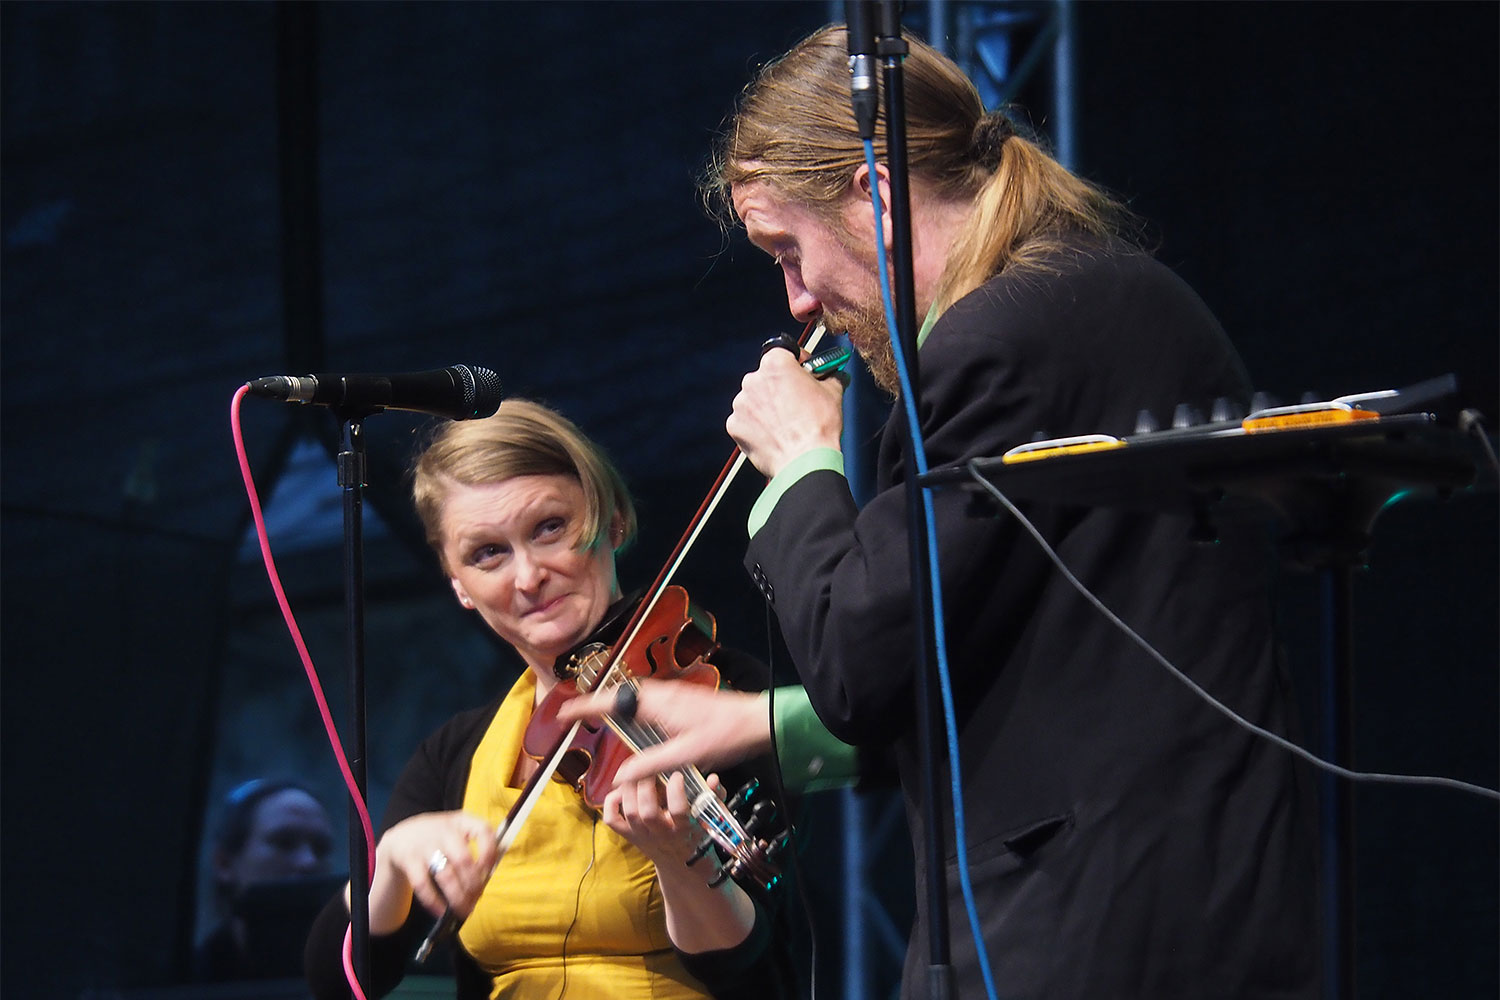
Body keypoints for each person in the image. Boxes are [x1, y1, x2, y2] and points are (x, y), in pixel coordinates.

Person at [567, 24, 1318, 1000]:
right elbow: (1006, 654)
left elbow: (864, 667)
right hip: (1194, 902)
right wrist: (759, 723)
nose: (798, 302)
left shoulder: (992, 342)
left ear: (875, 194)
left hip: (1083, 928)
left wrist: (800, 465)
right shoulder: (1104, 298)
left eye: (789, 250)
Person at [304, 400, 790, 1000]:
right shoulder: (456, 753)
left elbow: (744, 962)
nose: (528, 577)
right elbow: (339, 981)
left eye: (549, 528)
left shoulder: (724, 698)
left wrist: (679, 858)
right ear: (459, 585)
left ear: (613, 521)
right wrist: (394, 859)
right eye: (488, 553)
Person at [195, 778, 337, 981]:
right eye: (284, 843)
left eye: (321, 848)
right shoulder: (186, 979)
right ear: (224, 863)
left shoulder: (353, 973)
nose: (308, 862)